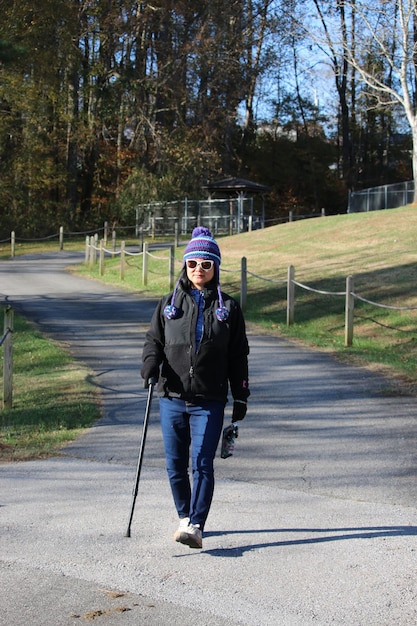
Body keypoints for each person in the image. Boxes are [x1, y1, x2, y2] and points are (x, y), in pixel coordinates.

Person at [140, 226, 250, 549]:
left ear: (215, 267)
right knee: (175, 464)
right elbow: (153, 342)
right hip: (172, 398)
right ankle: (185, 517)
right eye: (192, 264)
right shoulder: (167, 305)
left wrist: (240, 394)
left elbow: (238, 354)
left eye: (205, 264)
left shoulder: (228, 309)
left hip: (210, 400)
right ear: (185, 266)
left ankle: (197, 524)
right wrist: (149, 366)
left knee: (202, 461)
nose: (198, 270)